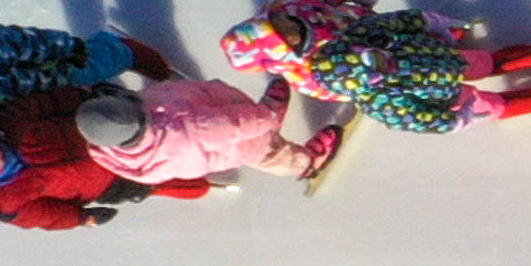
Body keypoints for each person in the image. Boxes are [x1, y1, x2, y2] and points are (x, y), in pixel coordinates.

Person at [223, 0, 531, 135]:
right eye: (283, 37)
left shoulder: (285, 7)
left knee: (472, 61)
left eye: (279, 27)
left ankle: (494, 63)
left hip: (422, 52)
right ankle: (506, 105)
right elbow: (408, 117)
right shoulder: (364, 92)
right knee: (476, 101)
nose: (287, 29)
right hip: (430, 92)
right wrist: (452, 120)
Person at [78, 75, 340, 193]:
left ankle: (267, 114)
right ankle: (306, 163)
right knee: (271, 154)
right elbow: (233, 125)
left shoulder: (111, 151)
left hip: (217, 136)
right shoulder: (184, 128)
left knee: (253, 128)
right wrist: (265, 118)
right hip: (239, 137)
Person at [0, 85, 145, 230]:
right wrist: (80, 218)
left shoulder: (2, 121)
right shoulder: (3, 201)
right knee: (158, 180)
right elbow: (44, 214)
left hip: (105, 130)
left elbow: (44, 103)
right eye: (2, 162)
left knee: (150, 127)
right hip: (109, 180)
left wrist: (83, 97)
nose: (8, 155)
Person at [0, 22, 175, 105]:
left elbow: (19, 43)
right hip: (13, 98)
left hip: (43, 71)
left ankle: (119, 49)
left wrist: (67, 46)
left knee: (85, 68)